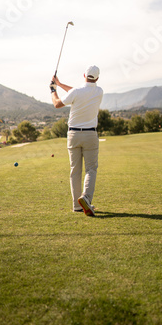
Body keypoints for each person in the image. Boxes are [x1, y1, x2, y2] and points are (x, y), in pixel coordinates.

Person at [50, 65, 103, 217]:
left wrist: (53, 90)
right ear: (97, 78)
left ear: (84, 75)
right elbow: (80, 92)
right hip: (90, 135)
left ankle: (77, 206)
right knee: (91, 169)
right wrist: (59, 84)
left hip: (73, 135)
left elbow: (57, 104)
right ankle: (86, 197)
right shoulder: (99, 91)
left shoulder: (76, 92)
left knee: (75, 171)